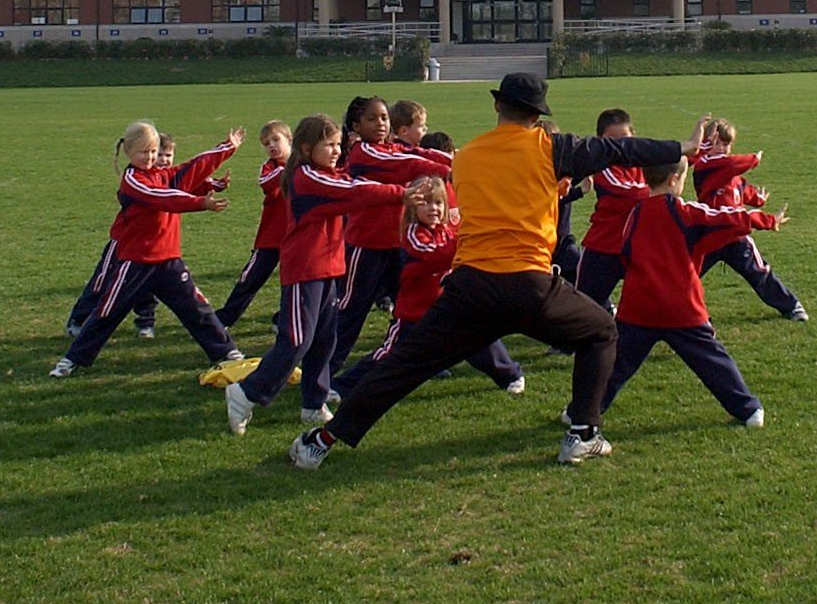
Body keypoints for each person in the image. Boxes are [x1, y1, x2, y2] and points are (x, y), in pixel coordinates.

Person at [288, 72, 706, 470]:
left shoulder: (467, 156)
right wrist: (683, 148)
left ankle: (320, 442)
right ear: (536, 116)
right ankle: (583, 432)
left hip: (470, 287)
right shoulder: (551, 147)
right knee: (601, 331)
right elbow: (619, 151)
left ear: (499, 109)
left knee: (403, 367)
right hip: (530, 285)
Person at [223, 115, 418, 434]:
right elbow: (355, 190)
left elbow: (355, 181)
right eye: (328, 145)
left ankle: (313, 403)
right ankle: (246, 392)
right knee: (296, 339)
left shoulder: (326, 173)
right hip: (304, 270)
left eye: (338, 144)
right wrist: (402, 192)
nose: (336, 151)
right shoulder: (307, 178)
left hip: (328, 268)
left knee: (325, 338)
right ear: (305, 147)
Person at [563, 156, 786, 428]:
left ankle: (579, 412)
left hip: (638, 307)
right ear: (673, 180)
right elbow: (723, 218)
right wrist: (765, 220)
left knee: (615, 366)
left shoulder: (634, 213)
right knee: (713, 361)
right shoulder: (685, 212)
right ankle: (748, 409)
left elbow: (626, 251)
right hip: (683, 308)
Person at [49, 123, 245, 377]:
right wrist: (200, 203)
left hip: (168, 261)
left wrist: (227, 147)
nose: (151, 157)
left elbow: (193, 167)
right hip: (136, 262)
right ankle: (72, 360)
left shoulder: (163, 174)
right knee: (107, 312)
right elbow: (162, 198)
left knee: (197, 308)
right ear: (129, 152)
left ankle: (227, 352)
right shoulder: (133, 181)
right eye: (144, 152)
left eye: (153, 151)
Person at [336, 175, 525, 397]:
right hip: (416, 314)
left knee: (479, 336)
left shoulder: (446, 232)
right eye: (425, 203)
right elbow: (434, 255)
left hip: (449, 308)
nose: (433, 208)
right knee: (390, 355)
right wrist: (466, 244)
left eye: (438, 202)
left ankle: (510, 375)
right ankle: (343, 385)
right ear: (412, 207)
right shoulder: (412, 234)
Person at [329, 97, 452, 376]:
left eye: (384, 118)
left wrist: (461, 160)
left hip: (399, 245)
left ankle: (421, 360)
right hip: (367, 246)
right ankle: (324, 370)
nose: (381, 124)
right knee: (351, 311)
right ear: (356, 125)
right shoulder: (364, 153)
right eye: (372, 119)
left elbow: (421, 154)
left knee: (415, 307)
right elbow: (408, 163)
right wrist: (452, 170)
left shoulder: (392, 147)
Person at [63, 131, 197, 340]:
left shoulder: (164, 177)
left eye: (166, 155)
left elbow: (184, 188)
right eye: (157, 154)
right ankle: (79, 320)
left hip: (147, 246)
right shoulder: (138, 179)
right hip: (123, 241)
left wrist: (213, 184)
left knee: (148, 284)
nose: (162, 160)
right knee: (102, 282)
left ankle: (145, 322)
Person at [694, 118, 808, 322]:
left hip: (737, 237)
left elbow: (743, 190)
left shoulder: (733, 175)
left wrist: (759, 199)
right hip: (709, 236)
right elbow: (730, 165)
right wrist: (754, 159)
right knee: (686, 277)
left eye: (725, 144)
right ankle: (668, 314)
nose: (721, 148)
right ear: (705, 143)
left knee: (760, 272)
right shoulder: (705, 167)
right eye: (715, 143)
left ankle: (791, 306)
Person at [215, 121, 291, 330]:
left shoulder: (306, 165)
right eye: (266, 143)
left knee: (291, 283)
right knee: (250, 280)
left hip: (295, 237)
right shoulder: (270, 167)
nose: (272, 146)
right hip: (270, 236)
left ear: (289, 140)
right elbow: (266, 183)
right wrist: (291, 168)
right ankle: (224, 319)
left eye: (276, 140)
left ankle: (283, 319)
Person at [574, 108, 653, 311]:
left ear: (633, 136)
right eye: (612, 140)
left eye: (625, 138)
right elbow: (629, 193)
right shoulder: (602, 164)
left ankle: (695, 325)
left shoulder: (642, 161)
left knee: (659, 296)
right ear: (599, 140)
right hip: (604, 245)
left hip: (638, 246)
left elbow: (669, 167)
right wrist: (660, 190)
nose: (621, 146)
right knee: (584, 304)